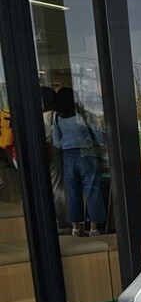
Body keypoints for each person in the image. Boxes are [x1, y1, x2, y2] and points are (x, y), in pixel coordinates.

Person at [52, 87, 106, 236]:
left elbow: (57, 142)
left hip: (68, 156)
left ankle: (76, 227)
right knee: (92, 190)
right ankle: (93, 228)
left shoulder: (58, 118)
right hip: (87, 154)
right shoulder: (84, 116)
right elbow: (99, 137)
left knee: (72, 192)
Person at [41, 86, 69, 230]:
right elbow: (58, 139)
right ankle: (62, 221)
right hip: (52, 151)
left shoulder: (33, 114)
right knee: (57, 187)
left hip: (39, 153)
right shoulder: (54, 115)